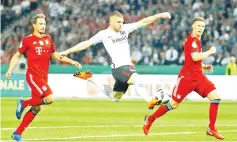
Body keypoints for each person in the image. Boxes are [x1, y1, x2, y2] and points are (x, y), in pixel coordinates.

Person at [59, 11, 171, 109]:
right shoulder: (104, 34)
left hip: (125, 68)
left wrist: (160, 15)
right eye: (118, 22)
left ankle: (90, 78)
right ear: (111, 22)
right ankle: (150, 100)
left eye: (122, 22)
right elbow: (86, 43)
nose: (121, 24)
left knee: (115, 97)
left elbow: (143, 21)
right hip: (119, 69)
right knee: (137, 79)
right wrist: (67, 51)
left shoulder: (125, 29)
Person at [143, 17, 224, 140]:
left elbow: (191, 60)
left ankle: (211, 129)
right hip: (186, 78)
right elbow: (195, 57)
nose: (201, 28)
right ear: (193, 26)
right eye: (198, 26)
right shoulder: (193, 41)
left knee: (216, 97)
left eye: (202, 26)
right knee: (173, 105)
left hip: (199, 77)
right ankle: (150, 119)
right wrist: (210, 52)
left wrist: (203, 66)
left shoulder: (197, 39)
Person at [5, 13, 81, 142]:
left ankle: (17, 133)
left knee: (37, 107)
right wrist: (9, 70)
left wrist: (71, 61)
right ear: (34, 25)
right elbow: (17, 56)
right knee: (50, 98)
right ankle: (23, 103)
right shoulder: (27, 40)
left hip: (44, 77)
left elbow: (55, 55)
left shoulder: (48, 39)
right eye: (40, 23)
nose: (43, 26)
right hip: (33, 76)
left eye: (44, 24)